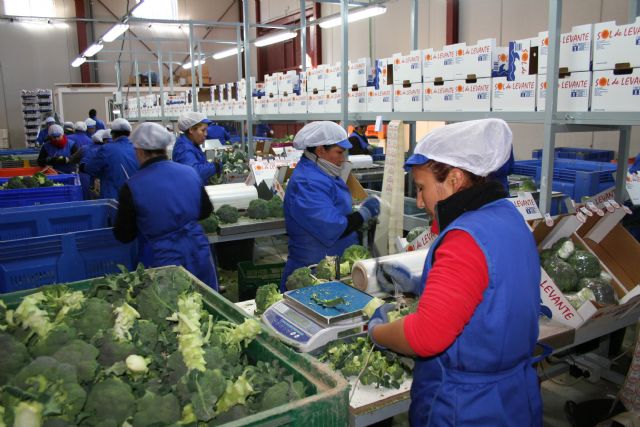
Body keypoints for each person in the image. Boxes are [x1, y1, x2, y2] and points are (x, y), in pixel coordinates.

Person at [368, 118, 542, 426]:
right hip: (514, 395)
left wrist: (378, 332)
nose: (420, 201)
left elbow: (426, 337)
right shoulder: (508, 216)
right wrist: (429, 281)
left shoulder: (464, 237)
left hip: (467, 405)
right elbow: (492, 284)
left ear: (455, 179)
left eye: (422, 188)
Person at [113, 122, 218, 290]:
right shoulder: (189, 172)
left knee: (173, 309)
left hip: (163, 258)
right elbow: (205, 211)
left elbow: (124, 234)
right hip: (198, 249)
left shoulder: (132, 186)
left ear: (139, 151)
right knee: (207, 302)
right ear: (164, 147)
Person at [280, 121, 381, 291]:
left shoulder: (323, 172)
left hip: (331, 266)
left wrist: (356, 214)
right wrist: (362, 215)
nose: (343, 159)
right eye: (339, 152)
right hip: (312, 272)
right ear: (320, 150)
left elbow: (333, 206)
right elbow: (330, 226)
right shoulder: (307, 182)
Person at [83, 118, 138, 200]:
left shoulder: (106, 149)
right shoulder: (138, 149)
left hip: (112, 200)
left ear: (112, 134)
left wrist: (83, 166)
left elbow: (90, 169)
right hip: (134, 197)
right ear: (129, 133)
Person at [173, 111, 221, 185]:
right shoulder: (184, 148)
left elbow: (199, 164)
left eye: (206, 130)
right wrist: (214, 166)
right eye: (203, 130)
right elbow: (194, 172)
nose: (206, 134)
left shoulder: (192, 144)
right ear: (191, 130)